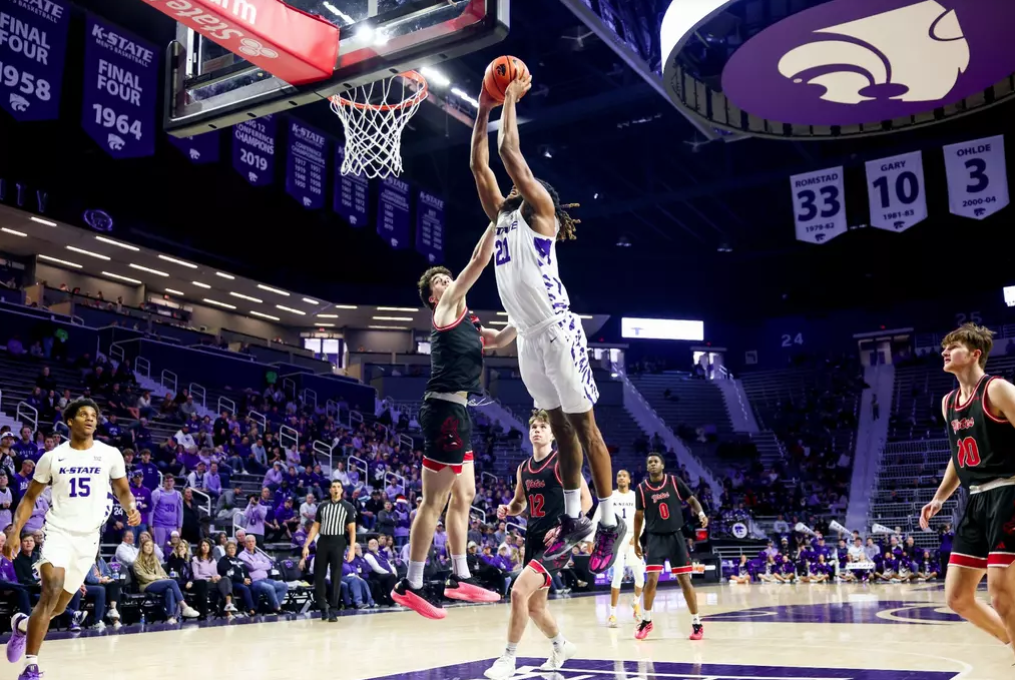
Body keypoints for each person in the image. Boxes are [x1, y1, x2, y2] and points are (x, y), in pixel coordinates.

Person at [471, 71, 623, 571]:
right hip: (530, 338)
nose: (514, 188)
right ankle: (576, 517)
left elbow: (510, 157)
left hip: (560, 331)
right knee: (559, 432)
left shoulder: (541, 214)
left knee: (586, 428)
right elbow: (480, 166)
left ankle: (608, 521)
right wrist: (483, 108)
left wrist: (511, 98)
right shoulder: (502, 221)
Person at [391, 224, 504, 619]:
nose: (447, 281)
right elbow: (478, 260)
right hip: (442, 411)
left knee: (466, 495)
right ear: (433, 297)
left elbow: (504, 338)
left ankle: (460, 577)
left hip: (460, 411)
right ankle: (412, 584)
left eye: (445, 276)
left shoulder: (470, 322)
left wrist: (535, 314)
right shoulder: (444, 310)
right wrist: (497, 220)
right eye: (440, 281)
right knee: (435, 501)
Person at [3, 398, 141, 680]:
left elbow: (123, 490)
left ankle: (21, 626)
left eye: (94, 415)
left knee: (59, 606)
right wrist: (15, 531)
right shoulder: (52, 457)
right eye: (83, 414)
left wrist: (131, 507)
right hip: (57, 533)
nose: (90, 418)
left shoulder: (109, 454)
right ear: (69, 421)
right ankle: (31, 667)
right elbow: (29, 498)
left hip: (88, 541)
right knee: (50, 589)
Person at [920, 324, 1015, 659]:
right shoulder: (949, 403)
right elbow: (957, 454)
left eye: (953, 346)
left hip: (1008, 493)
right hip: (974, 500)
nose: (945, 351)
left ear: (975, 354)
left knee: (1002, 594)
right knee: (958, 597)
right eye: (944, 347)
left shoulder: (998, 390)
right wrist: (940, 497)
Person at [485, 410, 591, 679]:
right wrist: (508, 509)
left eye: (543, 426)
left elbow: (587, 502)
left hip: (558, 542)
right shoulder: (523, 468)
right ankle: (561, 647)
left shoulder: (563, 462)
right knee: (535, 607)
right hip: (533, 538)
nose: (537, 430)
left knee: (518, 592)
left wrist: (566, 528)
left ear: (553, 434)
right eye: (534, 426)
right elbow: (521, 503)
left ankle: (508, 657)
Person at [632, 453, 708, 641]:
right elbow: (638, 517)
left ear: (663, 465)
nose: (652, 464)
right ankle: (647, 620)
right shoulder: (642, 489)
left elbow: (692, 500)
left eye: (655, 461)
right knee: (651, 581)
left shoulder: (674, 482)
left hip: (676, 536)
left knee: (684, 581)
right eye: (649, 462)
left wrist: (701, 513)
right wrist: (636, 540)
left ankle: (697, 623)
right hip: (655, 538)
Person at [299, 480, 357, 622]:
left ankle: (333, 609)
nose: (336, 489)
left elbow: (352, 529)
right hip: (323, 541)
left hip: (338, 542)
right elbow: (315, 527)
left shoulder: (348, 507)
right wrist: (306, 545)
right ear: (330, 490)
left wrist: (352, 548)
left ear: (342, 490)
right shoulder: (323, 506)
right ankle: (322, 607)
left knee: (336, 577)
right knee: (319, 576)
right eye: (333, 487)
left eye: (338, 487)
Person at [133, 538, 200, 623]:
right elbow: (143, 577)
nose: (149, 548)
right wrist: (158, 577)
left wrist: (165, 577)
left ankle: (170, 617)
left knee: (170, 590)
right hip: (146, 585)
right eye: (147, 545)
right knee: (172, 582)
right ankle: (185, 607)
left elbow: (162, 572)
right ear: (142, 547)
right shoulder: (137, 562)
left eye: (151, 546)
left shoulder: (155, 560)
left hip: (158, 583)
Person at [608, 469, 644, 627]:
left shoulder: (636, 496)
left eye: (624, 475)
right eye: (619, 476)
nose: (621, 478)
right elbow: (604, 517)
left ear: (629, 479)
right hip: (617, 539)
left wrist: (636, 537)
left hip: (632, 539)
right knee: (618, 575)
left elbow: (643, 519)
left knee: (641, 577)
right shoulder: (611, 496)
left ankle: (636, 603)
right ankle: (612, 614)